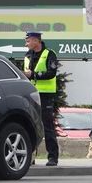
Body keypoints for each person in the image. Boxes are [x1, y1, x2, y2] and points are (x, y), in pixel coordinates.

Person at [23, 31, 59, 166]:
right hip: (31, 95)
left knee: (47, 126)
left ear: (36, 41)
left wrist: (33, 74)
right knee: (30, 126)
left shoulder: (49, 54)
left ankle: (53, 157)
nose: (26, 44)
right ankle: (30, 157)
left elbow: (51, 73)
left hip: (46, 96)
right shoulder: (28, 55)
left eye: (28, 41)